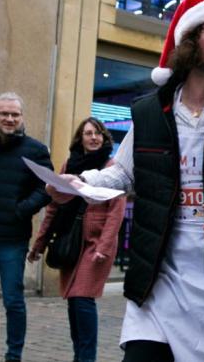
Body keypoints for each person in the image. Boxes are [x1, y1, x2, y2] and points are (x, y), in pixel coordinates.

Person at [47, 0, 204, 362]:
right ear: (190, 41)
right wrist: (81, 184)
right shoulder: (149, 111)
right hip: (159, 283)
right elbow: (124, 174)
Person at [28, 118, 126, 362]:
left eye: (98, 133)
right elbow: (54, 208)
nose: (93, 137)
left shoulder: (111, 167)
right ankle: (79, 356)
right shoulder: (69, 165)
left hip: (96, 245)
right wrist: (39, 244)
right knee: (73, 301)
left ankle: (87, 357)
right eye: (88, 133)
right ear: (80, 138)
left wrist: (103, 246)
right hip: (70, 240)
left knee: (82, 298)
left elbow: (116, 211)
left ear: (104, 137)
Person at [0, 92, 53, 362]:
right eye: (4, 113)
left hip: (12, 237)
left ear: (21, 117)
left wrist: (21, 210)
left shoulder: (35, 150)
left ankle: (14, 355)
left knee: (12, 300)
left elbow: (46, 188)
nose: (9, 119)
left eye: (15, 114)